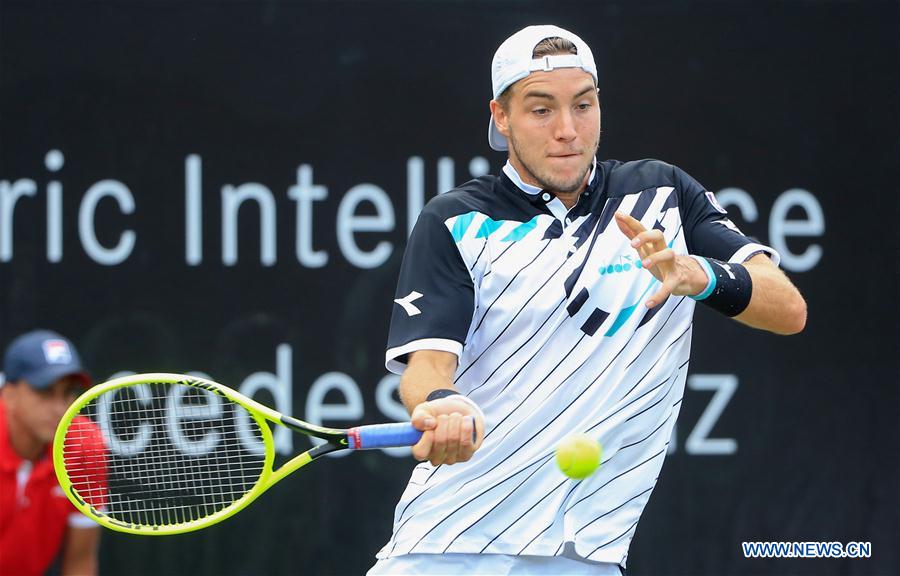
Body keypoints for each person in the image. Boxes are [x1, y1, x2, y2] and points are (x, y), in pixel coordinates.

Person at [368, 24, 807, 575]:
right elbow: (427, 364)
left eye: (584, 105)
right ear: (501, 118)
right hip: (444, 546)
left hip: (586, 556)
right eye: (541, 110)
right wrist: (442, 401)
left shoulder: (664, 193)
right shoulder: (455, 221)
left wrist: (701, 275)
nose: (568, 130)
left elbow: (787, 309)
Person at [0, 330, 100, 576]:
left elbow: (79, 563)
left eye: (67, 393)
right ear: (9, 394)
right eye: (44, 392)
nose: (60, 408)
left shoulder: (86, 446)